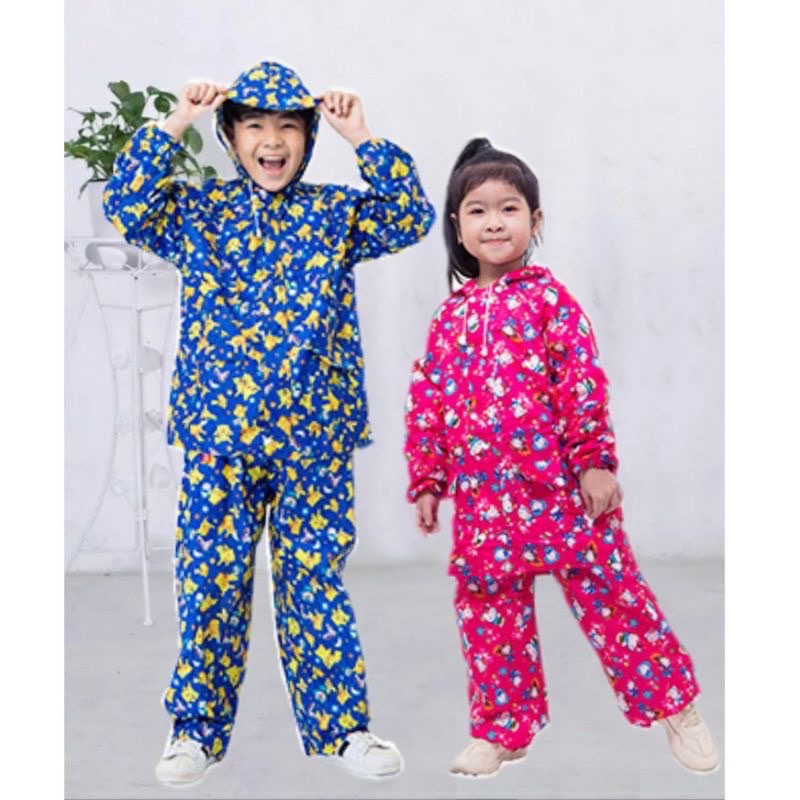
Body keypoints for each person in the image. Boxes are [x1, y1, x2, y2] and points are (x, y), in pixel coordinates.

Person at [104, 60, 435, 787]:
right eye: (255, 126)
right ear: (231, 136)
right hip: (219, 434)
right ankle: (194, 732)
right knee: (211, 582)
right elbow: (126, 203)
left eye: (288, 127)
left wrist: (361, 136)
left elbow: (411, 216)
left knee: (315, 583)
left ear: (308, 138)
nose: (273, 141)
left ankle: (343, 729)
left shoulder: (336, 214)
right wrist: (176, 120)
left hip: (315, 435)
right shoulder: (197, 212)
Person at [403, 137, 718, 778]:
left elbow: (581, 383)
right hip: (485, 500)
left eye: (509, 208)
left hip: (559, 488)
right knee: (490, 613)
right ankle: (503, 728)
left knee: (613, 597)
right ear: (458, 228)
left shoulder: (550, 301)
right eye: (478, 211)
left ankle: (675, 706)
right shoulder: (448, 320)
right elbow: (427, 404)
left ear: (535, 220)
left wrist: (594, 462)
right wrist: (429, 480)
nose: (495, 222)